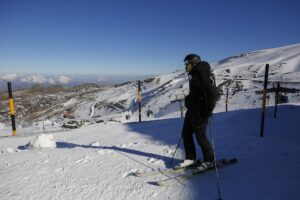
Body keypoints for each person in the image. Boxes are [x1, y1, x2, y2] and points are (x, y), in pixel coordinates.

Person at [176, 54, 217, 169]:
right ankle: (190, 159)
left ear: (193, 63)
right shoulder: (194, 74)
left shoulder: (201, 74)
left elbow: (212, 94)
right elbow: (196, 93)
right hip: (192, 110)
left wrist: (207, 111)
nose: (185, 65)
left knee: (201, 137)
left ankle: (209, 161)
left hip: (200, 112)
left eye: (187, 63)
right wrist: (189, 100)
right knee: (186, 133)